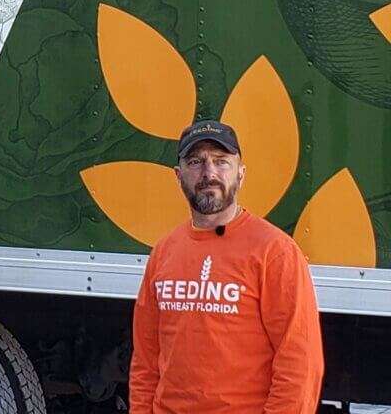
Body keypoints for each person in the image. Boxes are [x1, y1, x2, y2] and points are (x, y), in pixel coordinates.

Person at [128, 119, 324, 413]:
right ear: (178, 176)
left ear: (241, 174)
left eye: (221, 162)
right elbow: (145, 359)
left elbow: (300, 363)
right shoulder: (164, 252)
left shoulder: (275, 252)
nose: (209, 173)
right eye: (196, 162)